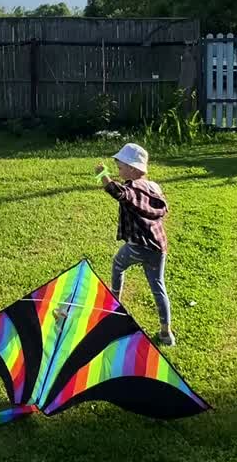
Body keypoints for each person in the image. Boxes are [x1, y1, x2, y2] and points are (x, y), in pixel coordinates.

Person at [95, 143, 174, 346]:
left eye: (120, 168)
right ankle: (166, 333)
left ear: (132, 168)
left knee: (118, 264)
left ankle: (115, 306)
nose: (119, 171)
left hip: (139, 246)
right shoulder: (154, 187)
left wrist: (102, 175)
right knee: (158, 287)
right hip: (158, 248)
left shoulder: (132, 189)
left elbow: (118, 193)